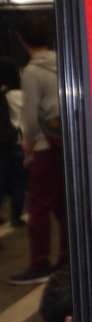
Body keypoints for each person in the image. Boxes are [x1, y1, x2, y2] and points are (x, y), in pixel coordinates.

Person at [9, 13, 68, 285]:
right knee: (63, 204)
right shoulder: (63, 62)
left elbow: (30, 115)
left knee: (38, 205)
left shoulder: (32, 71)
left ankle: (39, 263)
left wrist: (28, 145)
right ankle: (67, 258)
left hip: (46, 144)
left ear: (21, 40)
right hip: (67, 142)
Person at [0, 55, 28, 227]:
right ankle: (16, 216)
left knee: (1, 182)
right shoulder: (24, 95)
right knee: (19, 183)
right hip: (21, 143)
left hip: (4, 144)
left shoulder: (4, 96)